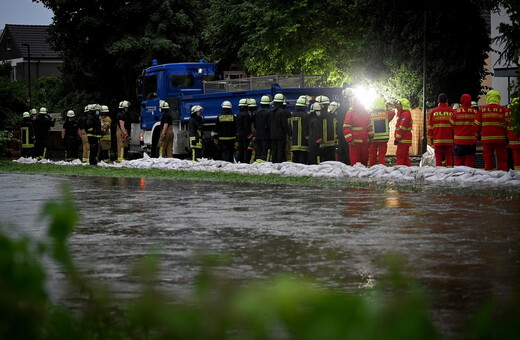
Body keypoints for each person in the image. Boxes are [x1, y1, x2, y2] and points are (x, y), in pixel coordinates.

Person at [474, 90, 508, 171]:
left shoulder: (482, 109)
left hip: (486, 139)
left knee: (488, 158)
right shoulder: (503, 109)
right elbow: (507, 125)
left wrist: (478, 136)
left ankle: (488, 174)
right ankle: (502, 174)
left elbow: (477, 125)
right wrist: (507, 137)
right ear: (498, 98)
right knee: (502, 159)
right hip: (500, 139)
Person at [343, 96, 373, 166]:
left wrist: (371, 137)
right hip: (354, 142)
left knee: (364, 160)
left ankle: (363, 175)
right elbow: (346, 126)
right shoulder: (350, 113)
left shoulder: (365, 112)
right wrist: (350, 140)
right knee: (355, 162)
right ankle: (355, 176)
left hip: (364, 141)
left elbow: (369, 125)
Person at [450, 94, 478, 167]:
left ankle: (459, 178)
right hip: (471, 142)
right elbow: (478, 126)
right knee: (470, 163)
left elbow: (452, 125)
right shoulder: (475, 112)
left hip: (459, 143)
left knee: (458, 164)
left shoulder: (456, 112)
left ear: (461, 101)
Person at [427, 93, 455, 167]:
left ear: (438, 101)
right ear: (447, 101)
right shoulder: (452, 112)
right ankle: (449, 175)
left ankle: (438, 174)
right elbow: (455, 127)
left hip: (437, 140)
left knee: (438, 160)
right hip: (449, 141)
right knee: (449, 159)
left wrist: (431, 138)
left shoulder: (434, 112)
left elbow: (430, 127)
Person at [368, 98, 395, 166]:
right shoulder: (386, 113)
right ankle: (381, 166)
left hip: (373, 138)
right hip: (383, 139)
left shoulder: (369, 114)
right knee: (382, 155)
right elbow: (393, 112)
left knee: (372, 154)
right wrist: (386, 107)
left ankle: (372, 166)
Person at [269, 93, 290, 163]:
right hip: (281, 134)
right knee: (280, 149)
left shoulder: (270, 112)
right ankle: (279, 162)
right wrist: (288, 133)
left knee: (274, 149)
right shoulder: (282, 112)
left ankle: (274, 162)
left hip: (272, 134)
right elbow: (285, 124)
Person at [394, 98, 413, 166]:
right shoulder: (405, 114)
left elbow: (402, 128)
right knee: (405, 157)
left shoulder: (405, 114)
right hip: (404, 139)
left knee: (400, 156)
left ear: (403, 106)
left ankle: (399, 170)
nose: (398, 106)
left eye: (399, 105)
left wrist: (397, 139)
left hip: (403, 139)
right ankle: (409, 170)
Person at [290, 96, 309, 164]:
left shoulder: (292, 115)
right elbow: (306, 128)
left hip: (294, 142)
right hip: (303, 142)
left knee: (295, 158)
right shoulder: (305, 116)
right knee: (302, 159)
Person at [317, 95, 335, 161]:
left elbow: (317, 129)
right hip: (332, 143)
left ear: (321, 105)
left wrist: (319, 141)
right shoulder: (332, 115)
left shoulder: (319, 116)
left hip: (323, 143)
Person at [336, 88, 353, 164]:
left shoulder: (342, 106)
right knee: (345, 148)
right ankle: (347, 163)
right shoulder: (346, 107)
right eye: (350, 96)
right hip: (344, 130)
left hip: (342, 130)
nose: (351, 98)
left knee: (343, 148)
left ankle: (345, 163)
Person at [253, 95, 271, 162]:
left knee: (259, 149)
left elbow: (254, 124)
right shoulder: (269, 112)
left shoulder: (257, 112)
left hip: (258, 134)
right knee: (265, 149)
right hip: (266, 134)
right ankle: (264, 160)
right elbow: (269, 124)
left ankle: (258, 160)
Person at [236, 98, 253, 163]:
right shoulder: (246, 115)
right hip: (245, 136)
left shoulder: (238, 114)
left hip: (240, 135)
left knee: (240, 149)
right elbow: (246, 126)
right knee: (246, 150)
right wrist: (250, 135)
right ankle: (245, 162)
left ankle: (239, 161)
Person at [505, 97, 519, 170]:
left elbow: (504, 125)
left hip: (512, 140)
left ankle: (517, 173)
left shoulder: (507, 111)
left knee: (516, 159)